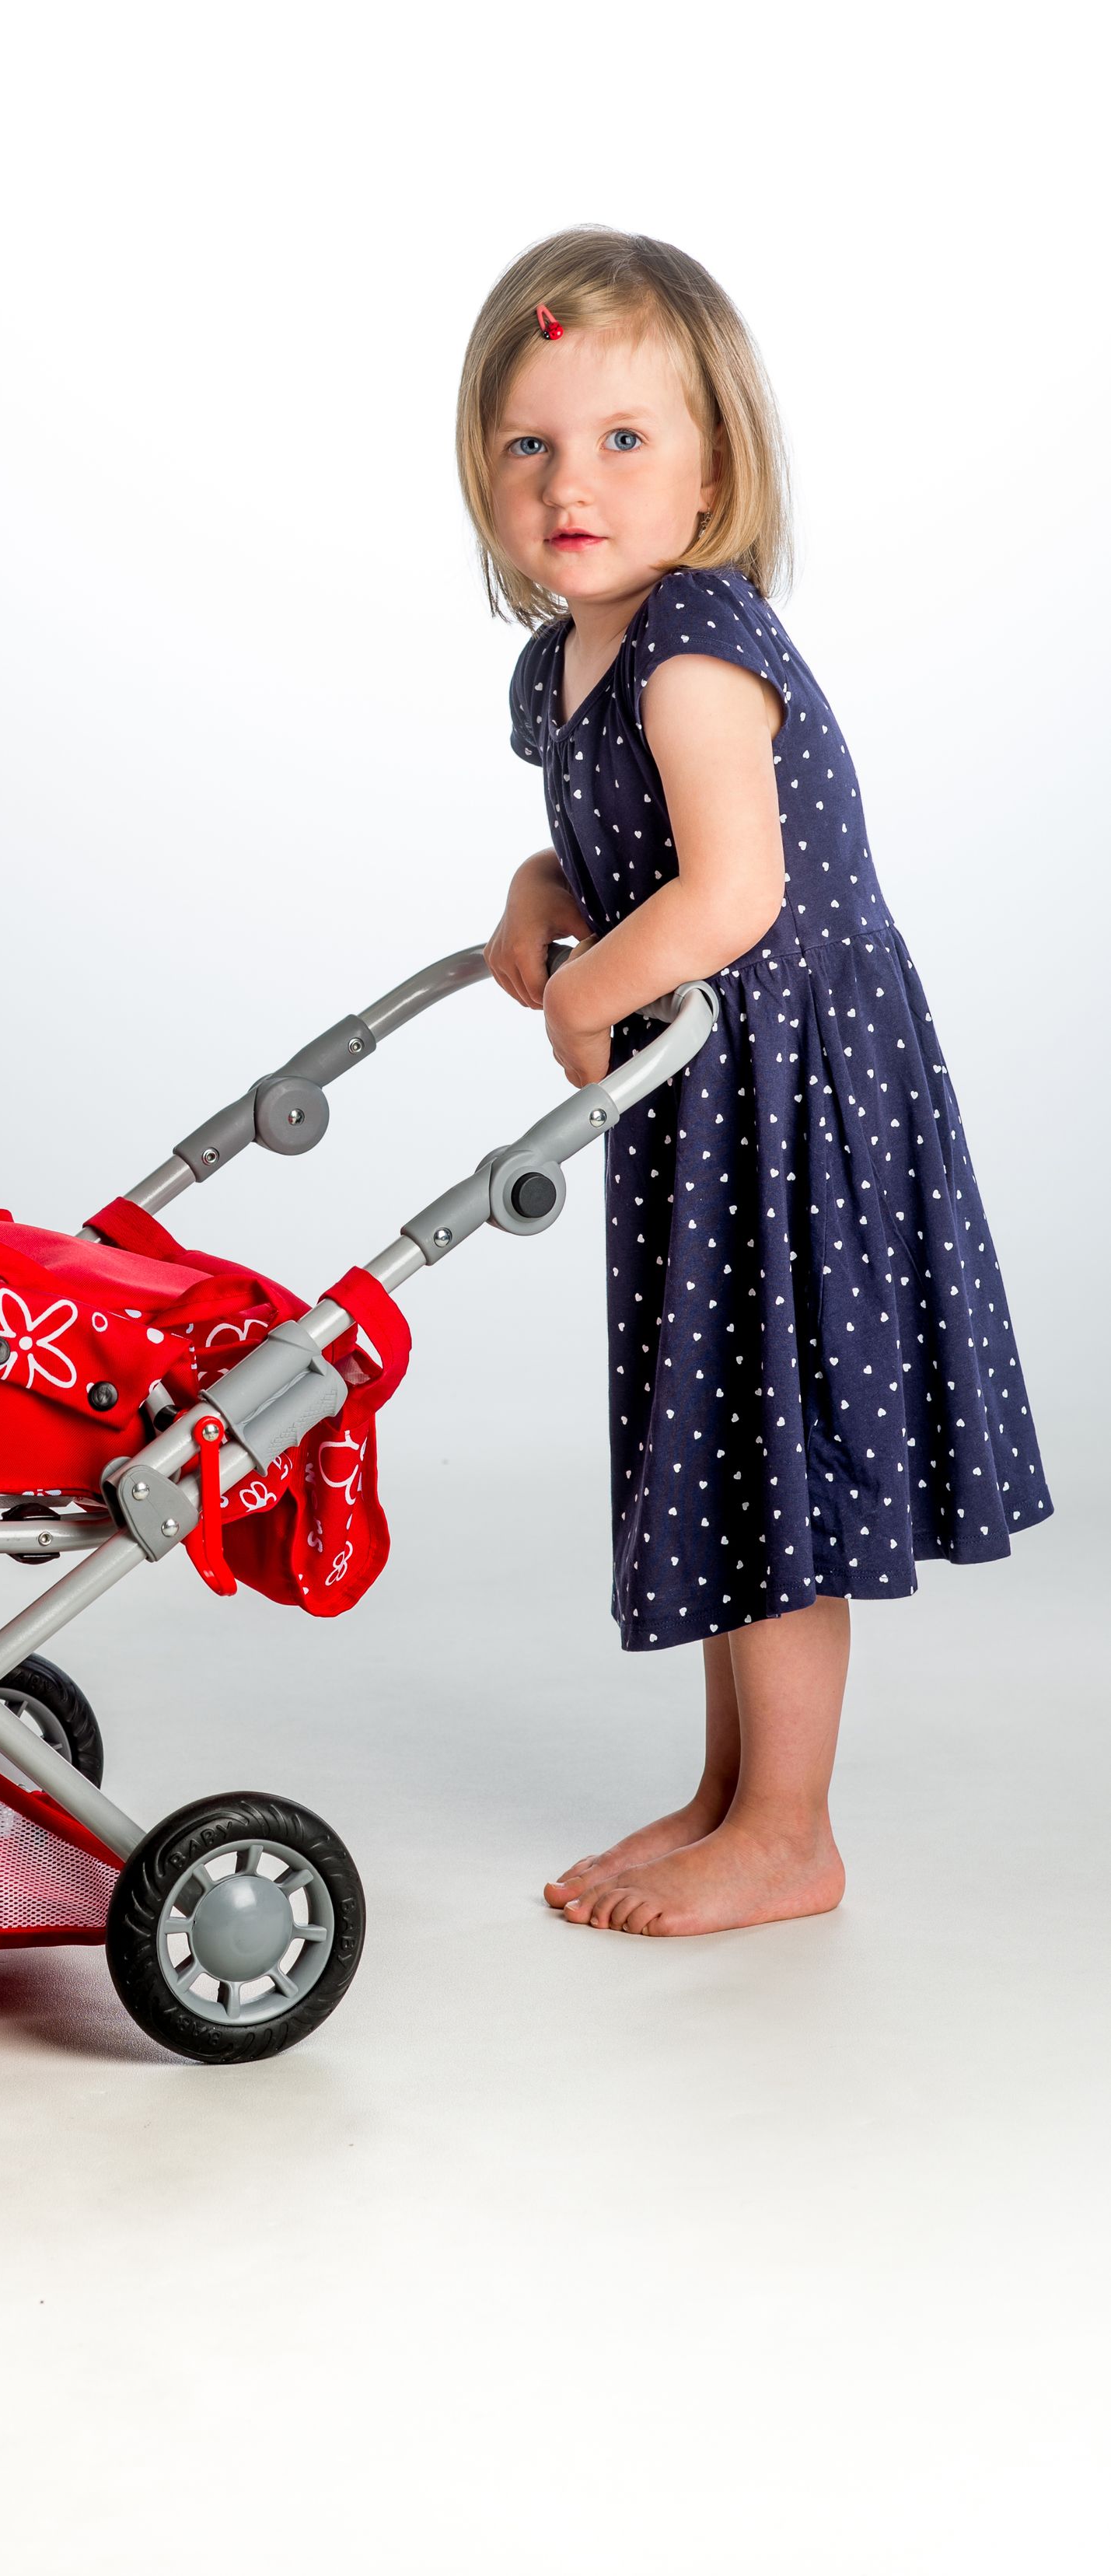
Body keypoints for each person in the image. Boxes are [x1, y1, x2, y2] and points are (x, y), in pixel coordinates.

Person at [456, 228, 1050, 1935]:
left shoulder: (697, 639)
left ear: (712, 469)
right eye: (529, 444)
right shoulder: (563, 661)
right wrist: (537, 895)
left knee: (770, 1442)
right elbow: (615, 848)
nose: (571, 482)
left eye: (622, 438)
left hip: (792, 1095)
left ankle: (789, 1827)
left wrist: (587, 999)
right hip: (707, 1093)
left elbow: (731, 891)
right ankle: (729, 1795)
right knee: (723, 1439)